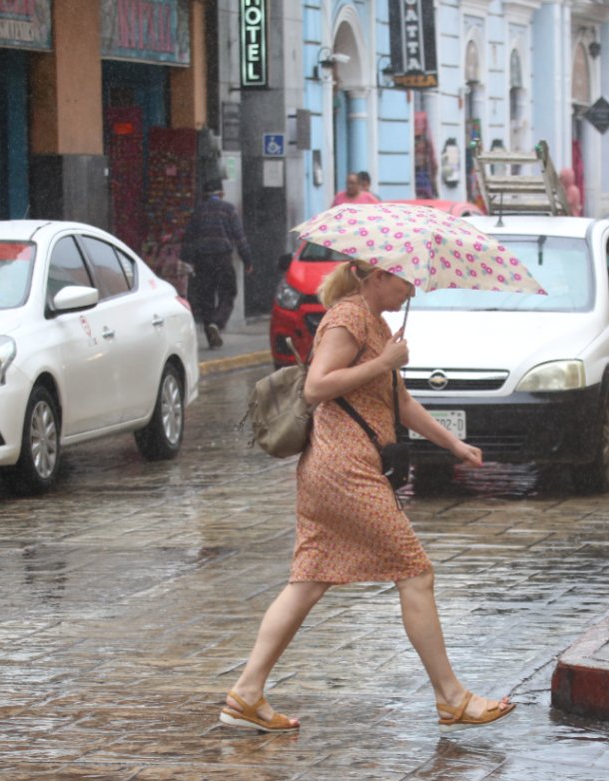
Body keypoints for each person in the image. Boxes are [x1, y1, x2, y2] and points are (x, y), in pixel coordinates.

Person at [218, 260, 515, 734]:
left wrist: (452, 444)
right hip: (345, 470)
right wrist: (383, 363)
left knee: (308, 580)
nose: (412, 288)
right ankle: (452, 697)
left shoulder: (376, 324)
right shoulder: (348, 318)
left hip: (336, 469)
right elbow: (316, 386)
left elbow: (400, 403)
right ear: (375, 276)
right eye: (404, 279)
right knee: (415, 573)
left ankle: (246, 693)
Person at [181, 179, 253, 349]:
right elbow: (240, 237)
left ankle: (211, 336)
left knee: (206, 298)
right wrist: (247, 260)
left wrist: (187, 260)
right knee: (228, 293)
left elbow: (188, 238)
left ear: (205, 195)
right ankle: (217, 323)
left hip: (202, 260)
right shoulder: (229, 210)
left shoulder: (198, 211)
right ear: (221, 194)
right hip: (223, 258)